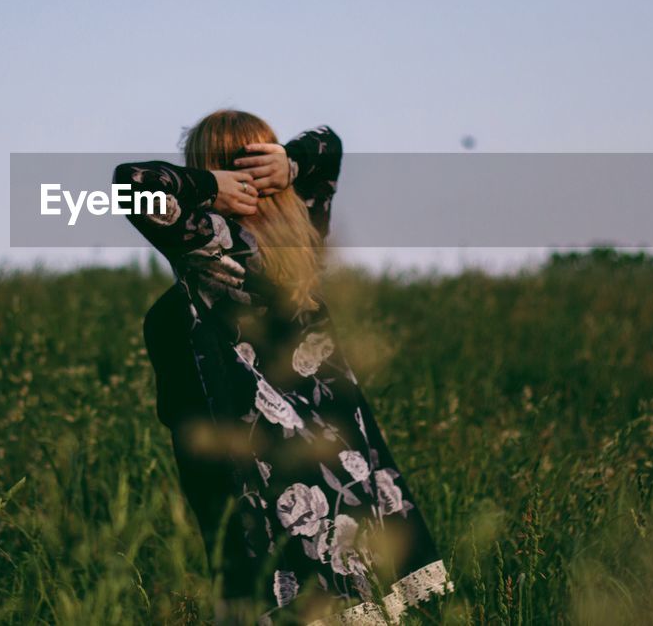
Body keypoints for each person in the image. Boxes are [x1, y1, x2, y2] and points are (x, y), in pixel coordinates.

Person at [115, 110, 451, 625]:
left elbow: (131, 184)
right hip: (344, 452)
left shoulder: (211, 240)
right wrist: (290, 165)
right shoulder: (305, 234)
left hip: (269, 467)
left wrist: (208, 186)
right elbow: (328, 145)